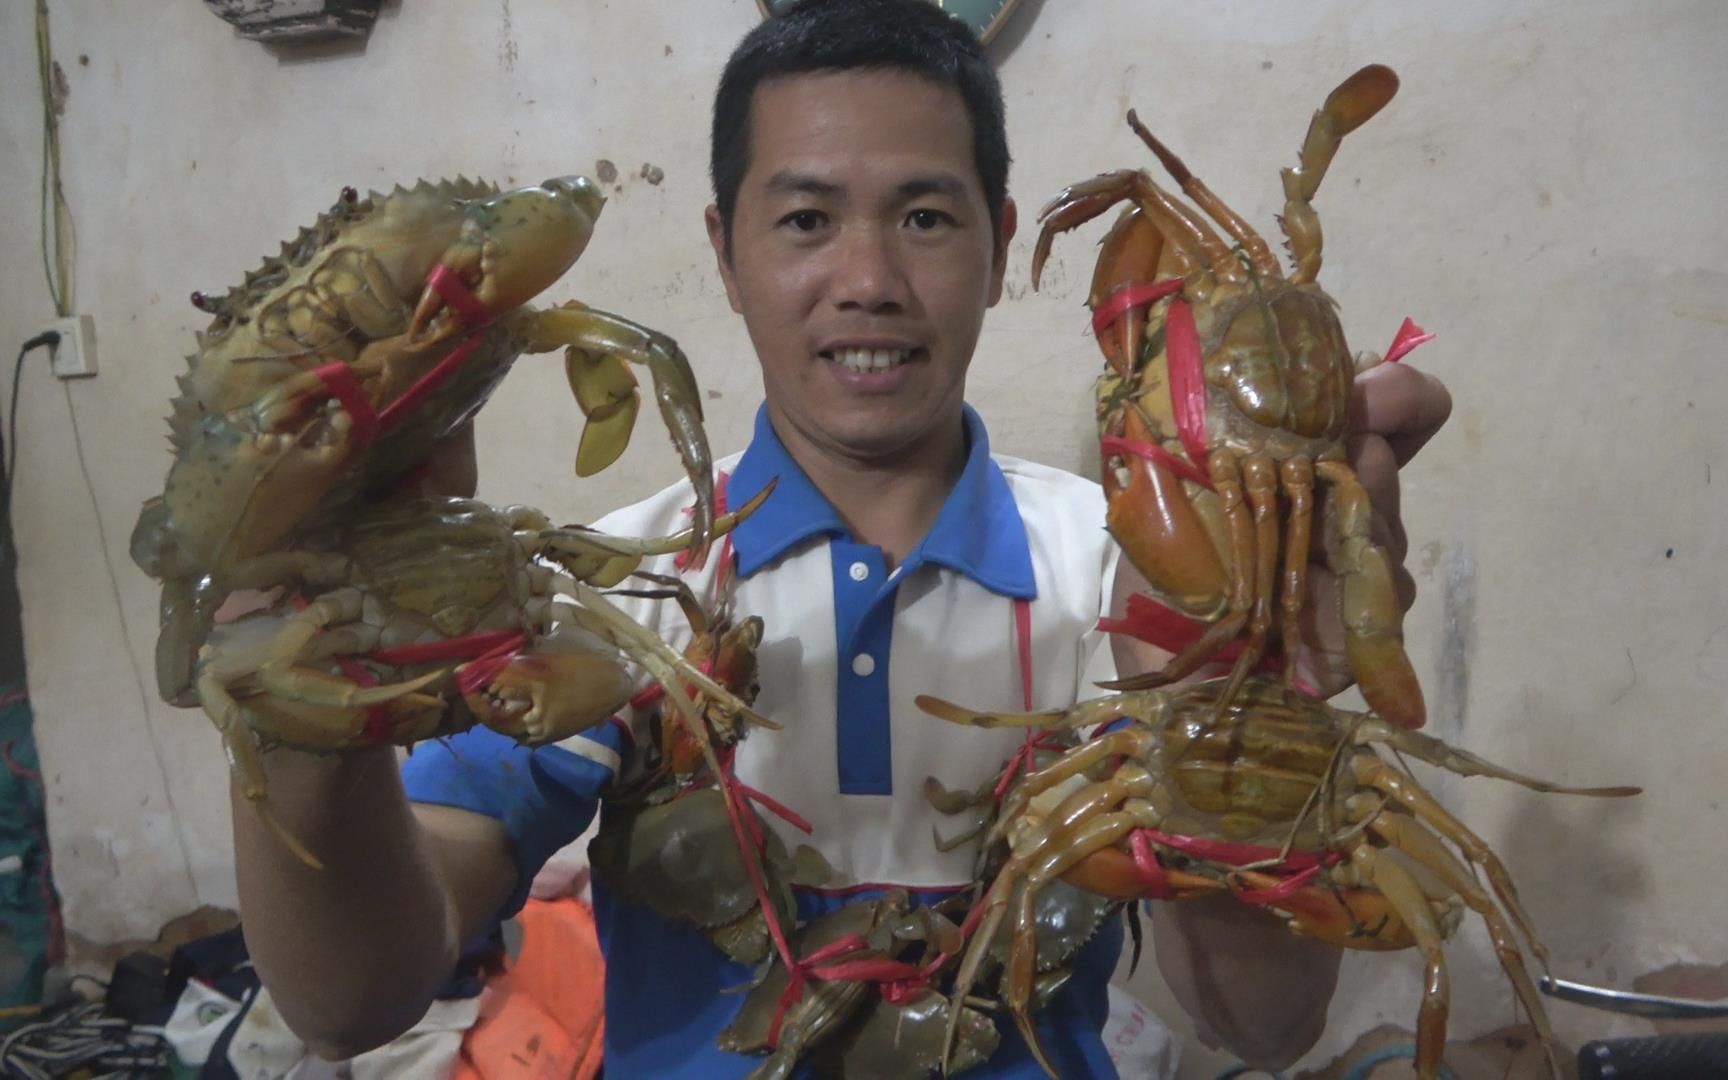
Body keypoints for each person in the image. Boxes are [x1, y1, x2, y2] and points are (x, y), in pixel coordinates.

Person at [231, 0, 1454, 1076]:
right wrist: (304, 717)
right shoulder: (613, 589)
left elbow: (1266, 1030)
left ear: (997, 246)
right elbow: (349, 1006)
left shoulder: (1136, 582)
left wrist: (1243, 708)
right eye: (806, 220)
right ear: (725, 252)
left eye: (925, 218)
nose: (867, 279)